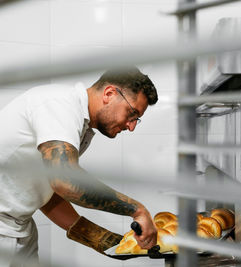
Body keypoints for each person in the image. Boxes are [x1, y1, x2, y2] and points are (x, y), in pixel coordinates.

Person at [0, 67, 158, 266]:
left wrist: (99, 238)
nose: (131, 126)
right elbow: (64, 181)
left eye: (137, 119)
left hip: (19, 227)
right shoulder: (59, 104)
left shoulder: (81, 126)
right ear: (109, 94)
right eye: (131, 113)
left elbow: (48, 192)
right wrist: (137, 210)